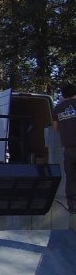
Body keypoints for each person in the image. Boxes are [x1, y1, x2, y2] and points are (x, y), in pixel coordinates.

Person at [53, 82, 76, 213]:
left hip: (68, 149)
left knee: (71, 178)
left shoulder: (58, 108)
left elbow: (55, 128)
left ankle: (73, 207)